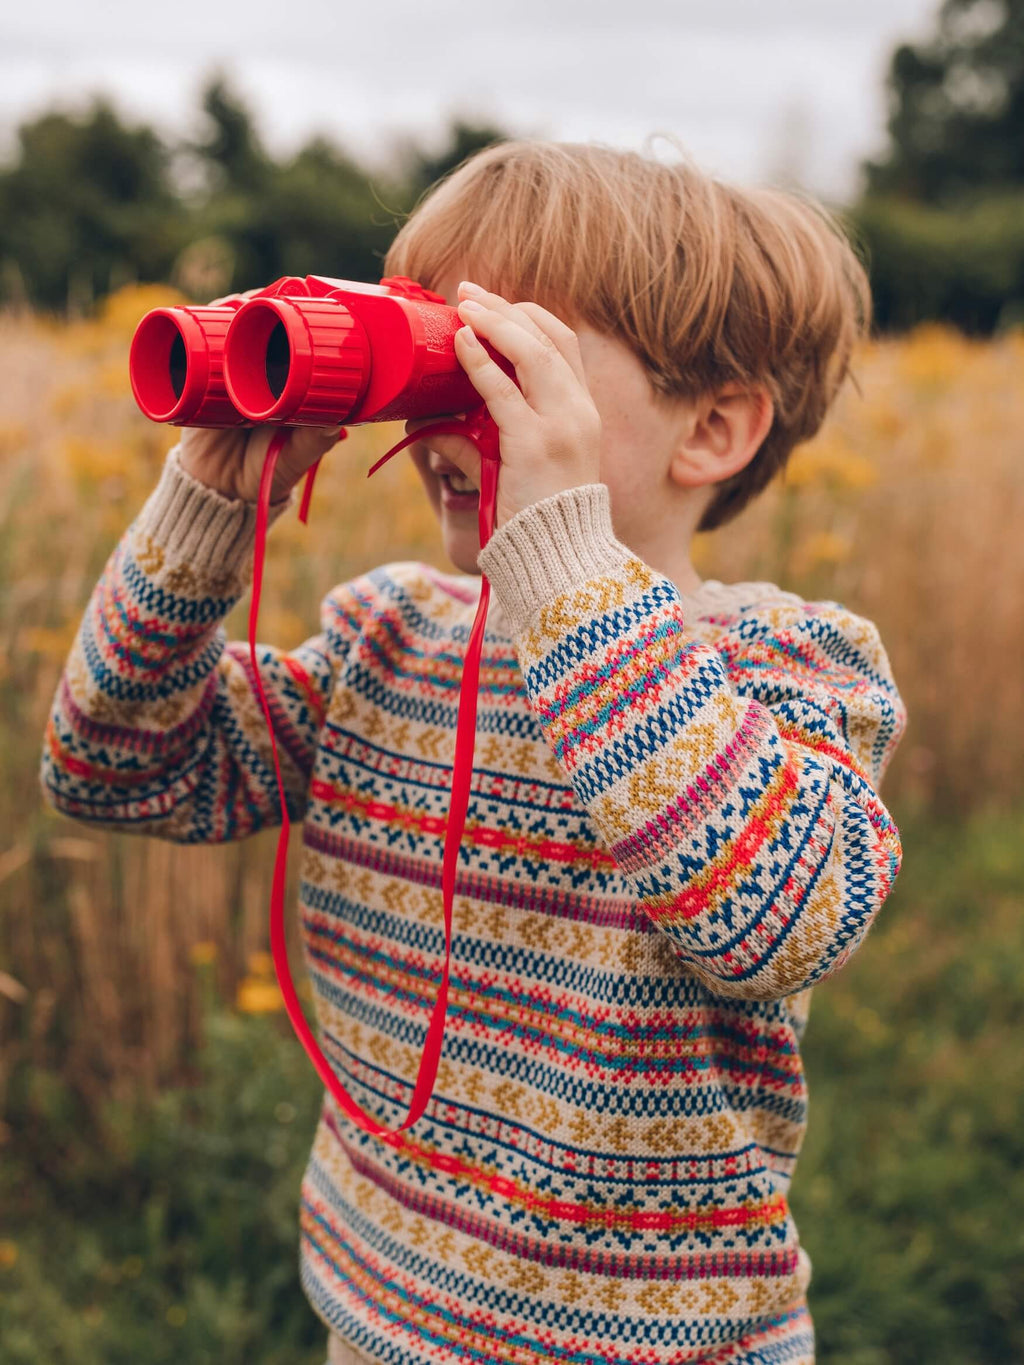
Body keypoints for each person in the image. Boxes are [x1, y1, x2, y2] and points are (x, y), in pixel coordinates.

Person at [40, 138, 907, 1365]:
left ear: (710, 429)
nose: (447, 407)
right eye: (434, 349)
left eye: (502, 364)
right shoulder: (389, 636)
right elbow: (112, 766)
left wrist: (560, 566)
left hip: (649, 1346)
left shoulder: (792, 665)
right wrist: (208, 502)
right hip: (380, 1311)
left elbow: (771, 918)